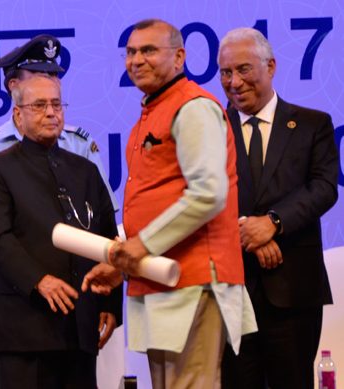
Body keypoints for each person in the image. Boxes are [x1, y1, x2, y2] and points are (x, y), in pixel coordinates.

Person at [82, 19, 256, 389]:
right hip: (160, 278)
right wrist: (124, 263)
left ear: (179, 57)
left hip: (191, 280)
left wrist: (140, 247)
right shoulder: (153, 111)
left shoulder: (193, 107)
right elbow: (156, 200)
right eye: (130, 52)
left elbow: (208, 193)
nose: (136, 60)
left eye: (148, 50)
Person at [0, 73, 122, 389]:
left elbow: (109, 241)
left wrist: (111, 304)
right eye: (39, 105)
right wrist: (38, 280)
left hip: (79, 326)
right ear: (18, 115)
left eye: (56, 104)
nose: (51, 113)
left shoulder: (86, 170)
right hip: (23, 327)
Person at [217, 28, 338, 389]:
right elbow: (202, 195)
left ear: (270, 67)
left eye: (243, 69)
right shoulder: (210, 129)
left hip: (293, 288)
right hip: (231, 289)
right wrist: (248, 231)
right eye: (225, 72)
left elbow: (323, 187)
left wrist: (273, 222)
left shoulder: (312, 124)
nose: (234, 82)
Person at [0, 34, 118, 263]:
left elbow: (104, 221)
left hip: (78, 278)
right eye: (40, 75)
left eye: (54, 74)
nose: (52, 81)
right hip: (19, 288)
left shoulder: (80, 144)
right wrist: (17, 267)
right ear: (14, 86)